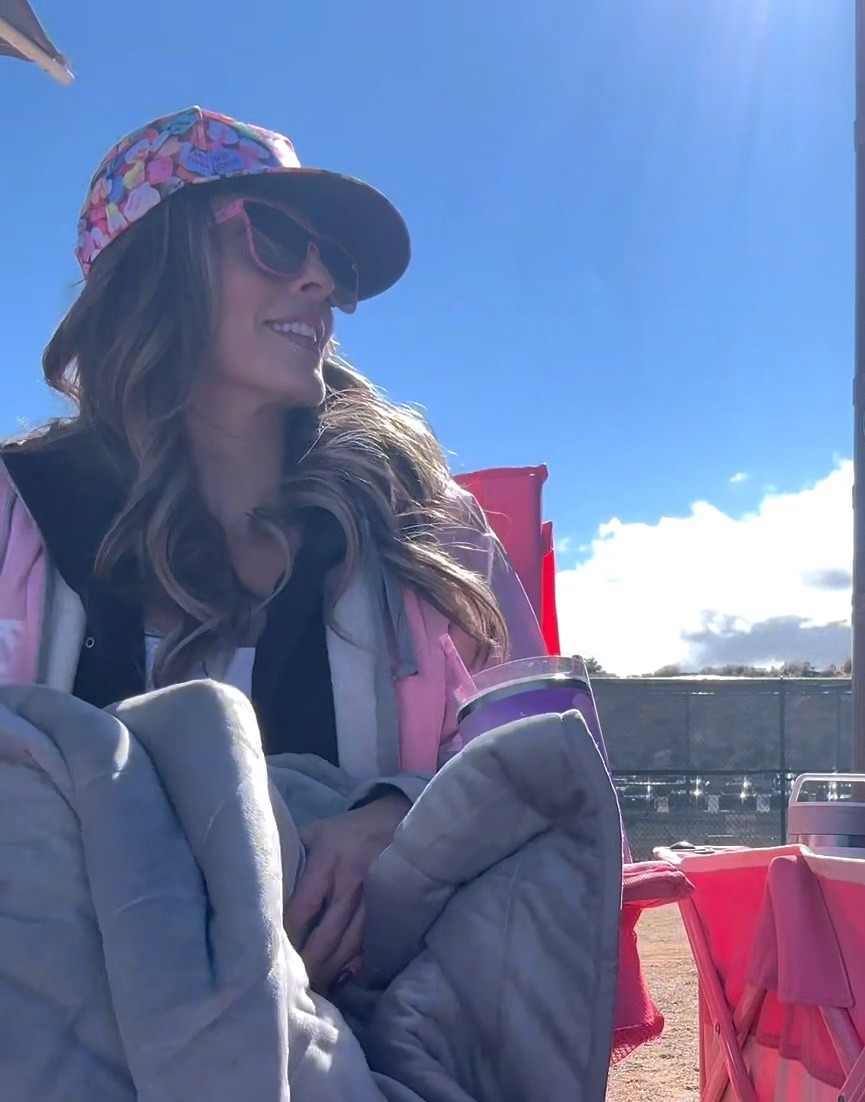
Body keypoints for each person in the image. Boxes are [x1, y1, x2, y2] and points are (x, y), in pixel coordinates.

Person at [0, 106, 544, 991]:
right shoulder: (17, 520)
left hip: (370, 1073)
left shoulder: (423, 526)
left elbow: (551, 753)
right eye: (279, 240)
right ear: (154, 263)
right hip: (58, 1068)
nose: (321, 282)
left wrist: (402, 818)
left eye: (337, 264)